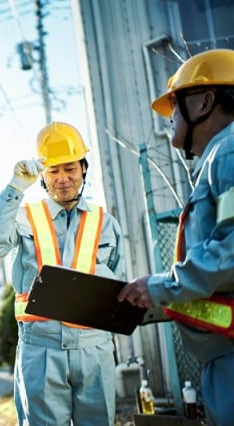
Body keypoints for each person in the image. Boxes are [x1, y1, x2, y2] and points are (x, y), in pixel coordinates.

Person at [0, 122, 125, 425]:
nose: (62, 179)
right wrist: (15, 187)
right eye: (53, 170)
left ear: (84, 168)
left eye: (70, 168)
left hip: (94, 348)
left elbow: (119, 289)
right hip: (41, 348)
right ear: (42, 175)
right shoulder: (24, 217)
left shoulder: (105, 223)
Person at [118, 48, 234, 425]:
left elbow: (232, 250)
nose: (169, 119)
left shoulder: (229, 152)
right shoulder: (219, 156)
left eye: (173, 105)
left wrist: (160, 286)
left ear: (204, 102)